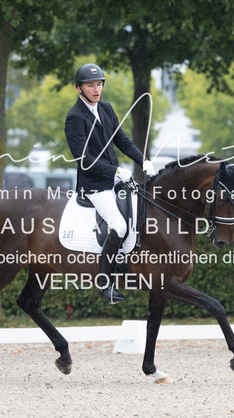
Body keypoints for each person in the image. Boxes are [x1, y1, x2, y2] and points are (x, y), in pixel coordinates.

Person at [64, 63, 156, 303]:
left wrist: (143, 161)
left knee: (138, 215)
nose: (97, 89)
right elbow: (84, 160)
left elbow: (123, 142)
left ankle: (125, 265)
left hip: (113, 179)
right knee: (119, 226)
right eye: (90, 85)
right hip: (94, 185)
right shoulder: (75, 117)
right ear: (79, 88)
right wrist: (116, 170)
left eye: (99, 84)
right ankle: (104, 284)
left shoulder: (106, 109)